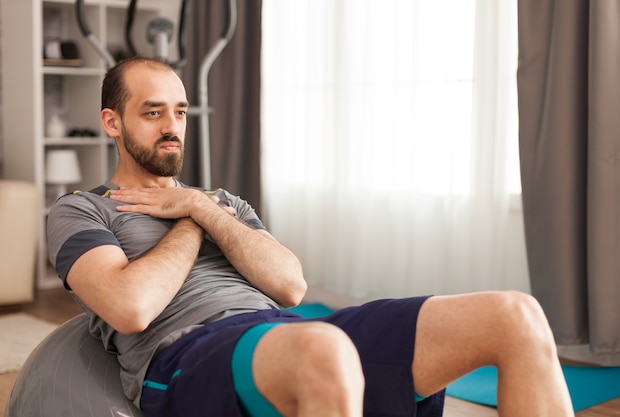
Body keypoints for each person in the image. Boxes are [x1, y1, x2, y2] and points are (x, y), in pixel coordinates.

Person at [47, 56, 574, 417]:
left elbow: (290, 286)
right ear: (112, 123)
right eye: (153, 111)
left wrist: (199, 205)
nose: (172, 126)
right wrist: (192, 215)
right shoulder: (80, 209)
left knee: (516, 315)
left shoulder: (220, 203)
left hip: (283, 329)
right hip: (186, 358)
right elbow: (131, 307)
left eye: (180, 111)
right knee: (324, 345)